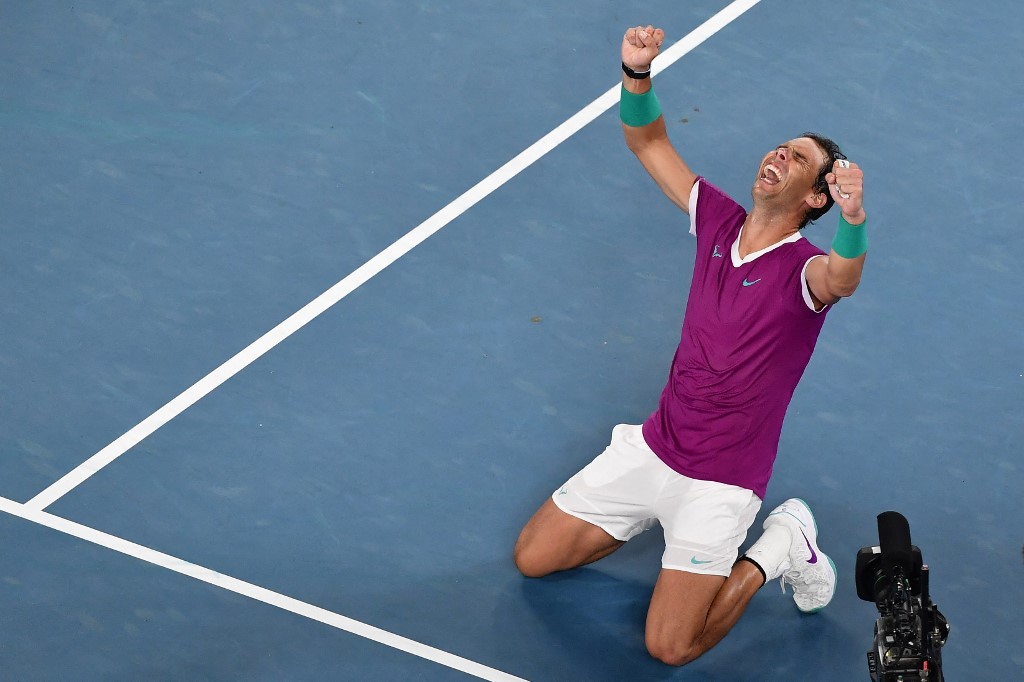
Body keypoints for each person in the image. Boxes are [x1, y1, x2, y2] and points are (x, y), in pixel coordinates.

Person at [513, 24, 869, 666]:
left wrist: (852, 222)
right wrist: (635, 70)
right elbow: (647, 140)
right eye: (782, 148)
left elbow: (844, 278)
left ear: (814, 197)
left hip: (721, 483)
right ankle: (648, 521)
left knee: (670, 646)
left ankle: (778, 546)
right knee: (533, 559)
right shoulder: (716, 219)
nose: (780, 156)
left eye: (799, 159)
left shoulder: (807, 270)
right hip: (655, 448)